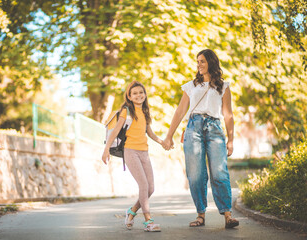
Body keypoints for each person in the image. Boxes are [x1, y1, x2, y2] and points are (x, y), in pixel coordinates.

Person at [162, 49, 239, 229]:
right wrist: (169, 136)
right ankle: (200, 215)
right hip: (193, 129)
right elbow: (180, 111)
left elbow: (228, 115)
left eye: (202, 61)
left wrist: (231, 139)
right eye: (197, 62)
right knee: (196, 175)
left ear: (211, 62)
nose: (199, 65)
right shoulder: (191, 86)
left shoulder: (224, 86)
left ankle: (228, 215)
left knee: (219, 173)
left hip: (214, 128)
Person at [102, 81, 162, 232]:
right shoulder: (126, 111)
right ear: (129, 96)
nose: (138, 95)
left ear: (145, 94)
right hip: (130, 151)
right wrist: (106, 149)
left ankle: (132, 211)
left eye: (141, 92)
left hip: (144, 152)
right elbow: (115, 131)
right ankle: (149, 221)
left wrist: (163, 142)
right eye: (134, 93)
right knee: (143, 185)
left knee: (151, 188)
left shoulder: (146, 111)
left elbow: (150, 132)